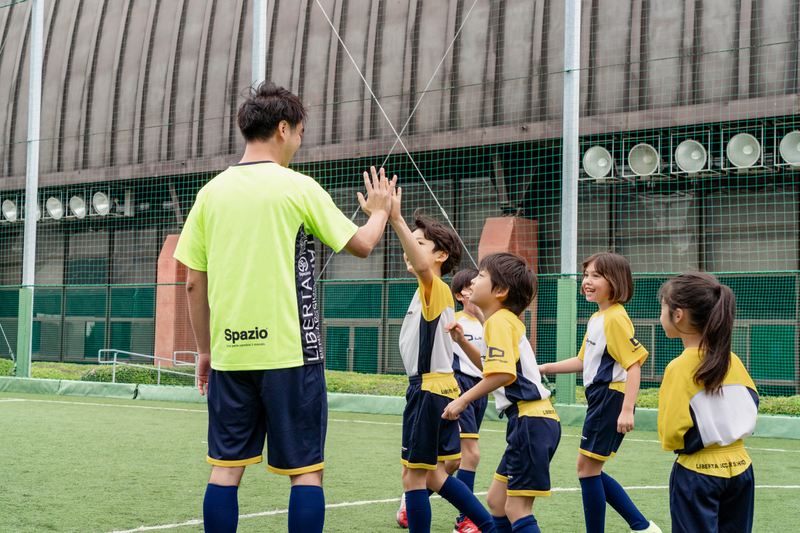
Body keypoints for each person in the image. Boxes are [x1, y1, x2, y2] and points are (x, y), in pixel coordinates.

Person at [174, 81, 396, 533]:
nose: (298, 141)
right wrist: (379, 209)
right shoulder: (298, 187)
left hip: (231, 355)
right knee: (306, 472)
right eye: (298, 132)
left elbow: (194, 283)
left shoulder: (210, 193)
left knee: (225, 469)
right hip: (293, 353)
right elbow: (364, 244)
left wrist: (204, 351)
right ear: (282, 128)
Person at [389, 191, 496, 533]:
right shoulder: (427, 289)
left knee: (413, 478)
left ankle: (487, 526)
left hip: (429, 389)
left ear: (440, 255)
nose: (412, 247)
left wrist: (396, 218)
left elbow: (421, 267)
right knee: (433, 474)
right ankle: (488, 526)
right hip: (438, 386)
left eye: (420, 243)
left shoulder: (434, 285)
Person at [538, 253, 660, 533]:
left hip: (610, 398)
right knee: (589, 470)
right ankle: (641, 527)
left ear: (614, 281)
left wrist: (627, 409)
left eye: (596, 276)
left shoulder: (615, 318)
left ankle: (639, 526)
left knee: (586, 470)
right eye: (586, 275)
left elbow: (634, 364)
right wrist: (543, 367)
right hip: (601, 398)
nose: (587, 282)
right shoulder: (598, 316)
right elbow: (582, 360)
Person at [444, 253, 559, 533]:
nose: (473, 281)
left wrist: (462, 400)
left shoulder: (498, 322)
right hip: (531, 421)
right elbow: (492, 367)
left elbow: (502, 375)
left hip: (531, 421)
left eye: (481, 276)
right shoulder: (502, 320)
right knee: (496, 501)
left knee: (516, 509)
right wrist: (461, 341)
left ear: (500, 291)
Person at [657, 273, 758, 533]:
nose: (661, 314)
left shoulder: (678, 368)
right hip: (742, 467)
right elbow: (752, 404)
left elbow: (671, 436)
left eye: (663, 307)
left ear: (678, 315)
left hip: (697, 473)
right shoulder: (732, 359)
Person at [396, 268, 487, 533]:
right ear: (460, 295)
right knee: (470, 455)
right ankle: (466, 519)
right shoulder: (450, 317)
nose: (474, 290)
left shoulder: (490, 322)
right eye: (469, 287)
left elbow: (490, 362)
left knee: (449, 465)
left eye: (478, 283)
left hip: (480, 389)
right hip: (457, 388)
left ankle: (413, 498)